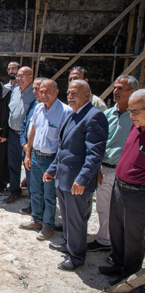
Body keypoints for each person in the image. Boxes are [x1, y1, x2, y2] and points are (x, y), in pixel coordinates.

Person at [45, 80, 108, 271]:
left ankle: (77, 257)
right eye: (69, 93)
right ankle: (68, 245)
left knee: (76, 220)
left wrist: (82, 178)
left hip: (76, 181)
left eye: (75, 93)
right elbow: (63, 149)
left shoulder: (94, 116)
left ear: (87, 95)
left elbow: (95, 154)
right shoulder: (72, 115)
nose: (70, 96)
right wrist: (52, 169)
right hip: (63, 179)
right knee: (67, 217)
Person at [98, 89, 145, 286]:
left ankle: (129, 276)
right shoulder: (136, 127)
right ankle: (117, 264)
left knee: (133, 237)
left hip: (137, 194)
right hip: (120, 186)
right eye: (131, 111)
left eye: (136, 111)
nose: (131, 115)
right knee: (116, 230)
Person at [87, 75, 138, 253]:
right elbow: (100, 143)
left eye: (120, 89)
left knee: (124, 213)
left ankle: (121, 250)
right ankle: (104, 241)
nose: (115, 91)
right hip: (104, 168)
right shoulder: (107, 115)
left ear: (133, 92)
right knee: (103, 208)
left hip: (126, 173)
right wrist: (97, 167)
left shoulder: (137, 118)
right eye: (115, 88)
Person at [20, 79, 73, 241]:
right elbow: (32, 132)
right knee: (34, 191)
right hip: (35, 156)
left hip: (51, 160)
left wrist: (56, 165)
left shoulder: (65, 112)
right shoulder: (38, 108)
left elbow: (65, 141)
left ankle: (48, 225)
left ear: (56, 92)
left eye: (47, 92)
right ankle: (36, 220)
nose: (43, 95)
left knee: (49, 195)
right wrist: (28, 154)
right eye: (41, 92)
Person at [4, 66, 36, 203]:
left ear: (31, 77)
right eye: (18, 76)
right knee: (13, 164)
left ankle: (33, 197)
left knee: (29, 166)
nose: (20, 79)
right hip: (12, 134)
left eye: (23, 76)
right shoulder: (15, 91)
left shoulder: (35, 93)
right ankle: (15, 192)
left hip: (27, 138)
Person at [19, 77, 46, 215]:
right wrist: (24, 143)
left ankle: (42, 210)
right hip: (28, 150)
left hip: (42, 153)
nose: (35, 91)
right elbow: (24, 126)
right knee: (31, 181)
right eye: (34, 88)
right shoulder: (33, 105)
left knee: (42, 184)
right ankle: (33, 206)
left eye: (38, 88)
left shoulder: (53, 109)